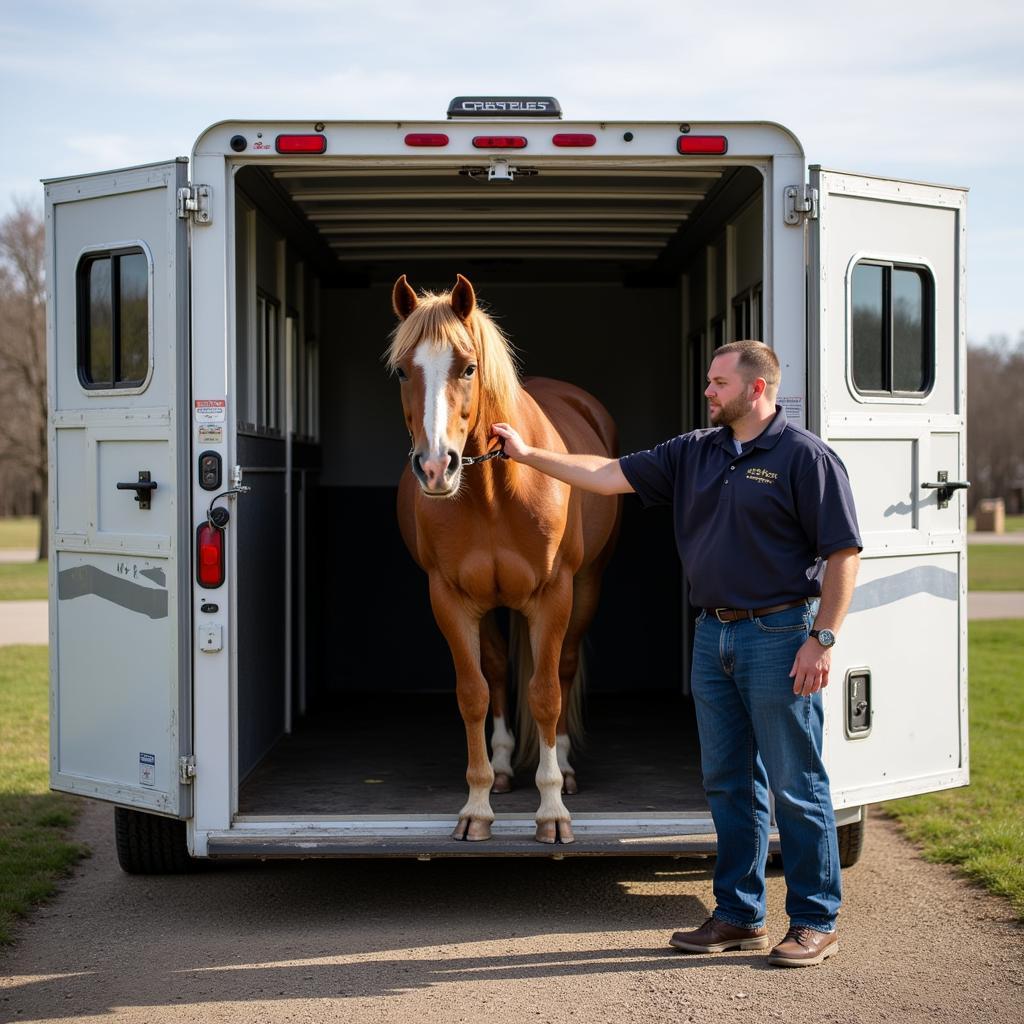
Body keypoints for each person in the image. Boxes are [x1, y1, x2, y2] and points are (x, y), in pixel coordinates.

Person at [490, 340, 862, 968]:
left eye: (719, 383)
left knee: (797, 783)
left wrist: (821, 638)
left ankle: (814, 920)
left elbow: (843, 553)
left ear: (758, 389)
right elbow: (605, 474)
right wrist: (529, 455)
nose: (709, 392)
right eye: (710, 382)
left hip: (780, 637)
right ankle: (740, 913)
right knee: (727, 782)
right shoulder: (695, 451)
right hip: (713, 636)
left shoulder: (805, 458)